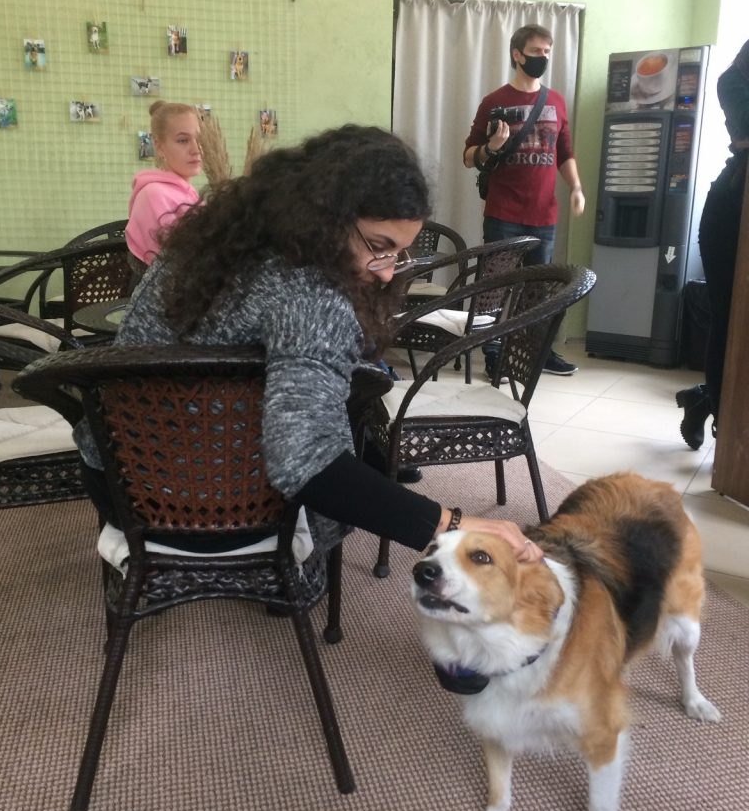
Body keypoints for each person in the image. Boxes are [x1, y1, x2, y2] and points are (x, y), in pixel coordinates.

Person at [77, 124, 542, 564]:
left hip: (117, 484)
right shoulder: (310, 295)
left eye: (398, 253)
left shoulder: (212, 242)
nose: (386, 271)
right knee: (344, 435)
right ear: (325, 218)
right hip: (208, 511)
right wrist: (450, 524)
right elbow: (305, 463)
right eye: (378, 245)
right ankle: (291, 571)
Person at [463, 23, 585, 376]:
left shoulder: (556, 101)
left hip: (543, 214)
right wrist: (491, 147)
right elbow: (468, 156)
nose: (542, 58)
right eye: (536, 52)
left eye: (547, 52)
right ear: (517, 55)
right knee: (494, 287)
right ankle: (493, 353)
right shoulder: (495, 101)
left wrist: (576, 187)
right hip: (503, 212)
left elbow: (565, 152)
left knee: (538, 290)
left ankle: (536, 352)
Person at [676, 39, 749, 449]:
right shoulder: (733, 81)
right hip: (731, 212)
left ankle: (705, 398)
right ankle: (721, 414)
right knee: (731, 318)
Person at [124, 100, 202, 272]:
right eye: (183, 140)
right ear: (159, 146)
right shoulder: (154, 195)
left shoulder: (187, 192)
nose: (196, 149)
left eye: (199, 139)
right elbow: (179, 263)